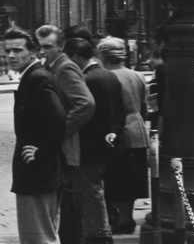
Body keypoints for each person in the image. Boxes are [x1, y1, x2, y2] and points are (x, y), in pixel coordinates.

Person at [6, 26, 67, 244]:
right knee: (45, 233)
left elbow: (58, 118)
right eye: (7, 51)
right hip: (40, 172)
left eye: (17, 50)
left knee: (38, 237)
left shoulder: (36, 78)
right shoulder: (33, 76)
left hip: (37, 172)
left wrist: (41, 154)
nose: (11, 55)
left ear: (32, 51)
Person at [37, 25, 95, 244]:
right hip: (57, 146)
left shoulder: (65, 68)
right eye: (39, 46)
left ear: (61, 46)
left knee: (66, 205)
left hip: (63, 146)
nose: (42, 51)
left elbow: (85, 104)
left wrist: (59, 131)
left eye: (48, 47)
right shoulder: (51, 66)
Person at [64, 35, 118, 244]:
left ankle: (98, 234)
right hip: (104, 144)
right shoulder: (109, 75)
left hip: (86, 147)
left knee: (89, 194)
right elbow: (119, 111)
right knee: (96, 191)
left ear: (76, 57)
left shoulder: (86, 80)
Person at [96, 38, 149, 235]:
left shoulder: (105, 77)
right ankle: (127, 218)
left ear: (103, 55)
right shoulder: (137, 75)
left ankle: (120, 219)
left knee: (117, 179)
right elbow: (143, 106)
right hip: (138, 131)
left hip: (118, 134)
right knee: (133, 179)